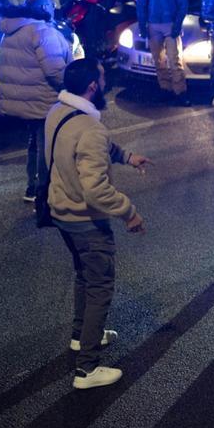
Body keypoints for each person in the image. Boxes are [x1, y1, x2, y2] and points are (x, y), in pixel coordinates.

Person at [46, 59, 150, 389]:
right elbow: (96, 189)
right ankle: (87, 369)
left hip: (62, 214)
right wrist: (128, 211)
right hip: (85, 220)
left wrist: (127, 157)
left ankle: (81, 336)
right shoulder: (91, 128)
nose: (105, 84)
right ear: (92, 86)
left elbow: (95, 148)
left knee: (84, 277)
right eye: (102, 80)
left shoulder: (58, 112)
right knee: (100, 288)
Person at [0, 0, 73, 202]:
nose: (53, 8)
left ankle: (31, 186)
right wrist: (71, 87)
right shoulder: (42, 32)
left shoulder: (12, 29)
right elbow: (55, 71)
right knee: (45, 144)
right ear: (43, 9)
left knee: (34, 142)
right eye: (50, 5)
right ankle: (43, 189)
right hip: (43, 99)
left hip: (22, 99)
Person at [136, 0, 190, 105]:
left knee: (174, 59)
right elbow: (141, 6)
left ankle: (180, 92)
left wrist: (177, 25)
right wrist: (142, 25)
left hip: (170, 24)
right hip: (153, 25)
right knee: (158, 60)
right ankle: (165, 88)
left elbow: (183, 5)